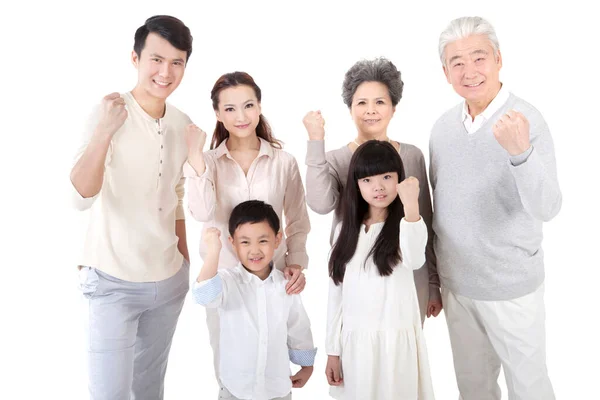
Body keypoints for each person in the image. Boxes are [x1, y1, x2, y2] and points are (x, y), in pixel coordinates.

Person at [430, 16, 562, 400]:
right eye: (457, 62)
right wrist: (437, 280)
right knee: (473, 388)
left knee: (530, 386)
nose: (469, 71)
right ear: (445, 72)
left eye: (479, 57)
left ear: (498, 59)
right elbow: (440, 210)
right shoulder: (442, 128)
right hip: (458, 287)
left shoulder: (527, 120)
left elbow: (548, 207)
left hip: (511, 288)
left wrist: (521, 153)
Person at [70, 15, 194, 399]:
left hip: (168, 281)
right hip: (112, 282)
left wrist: (185, 262)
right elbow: (79, 196)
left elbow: (175, 195)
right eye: (156, 59)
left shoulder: (182, 123)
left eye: (177, 62)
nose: (165, 71)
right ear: (135, 59)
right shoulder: (108, 111)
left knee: (149, 390)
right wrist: (105, 132)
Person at [184, 71, 311, 397]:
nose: (240, 117)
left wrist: (296, 263)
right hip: (224, 282)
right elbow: (200, 212)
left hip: (274, 277)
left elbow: (297, 218)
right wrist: (196, 157)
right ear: (217, 113)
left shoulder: (283, 162)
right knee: (231, 371)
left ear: (259, 107)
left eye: (248, 106)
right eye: (229, 109)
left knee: (271, 363)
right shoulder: (206, 162)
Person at [303, 58, 441, 323]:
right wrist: (316, 142)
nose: (371, 111)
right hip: (356, 276)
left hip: (408, 276)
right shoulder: (335, 159)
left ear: (393, 107)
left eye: (380, 102)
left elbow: (426, 219)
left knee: (403, 355)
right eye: (361, 103)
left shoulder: (411, 156)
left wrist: (433, 283)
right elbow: (320, 204)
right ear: (350, 108)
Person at [325, 141, 435, 400]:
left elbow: (415, 257)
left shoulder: (405, 226)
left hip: (394, 344)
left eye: (387, 177)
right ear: (356, 184)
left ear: (399, 178)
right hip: (355, 345)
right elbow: (335, 296)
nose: (378, 187)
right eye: (367, 179)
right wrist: (333, 350)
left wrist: (411, 206)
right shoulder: (345, 231)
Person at [193, 200, 316, 400]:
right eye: (245, 242)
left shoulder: (285, 285)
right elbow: (203, 295)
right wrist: (213, 251)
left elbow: (298, 326)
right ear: (232, 243)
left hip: (276, 389)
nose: (255, 250)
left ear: (277, 240)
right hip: (236, 389)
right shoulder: (227, 281)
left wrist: (306, 365)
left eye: (263, 241)